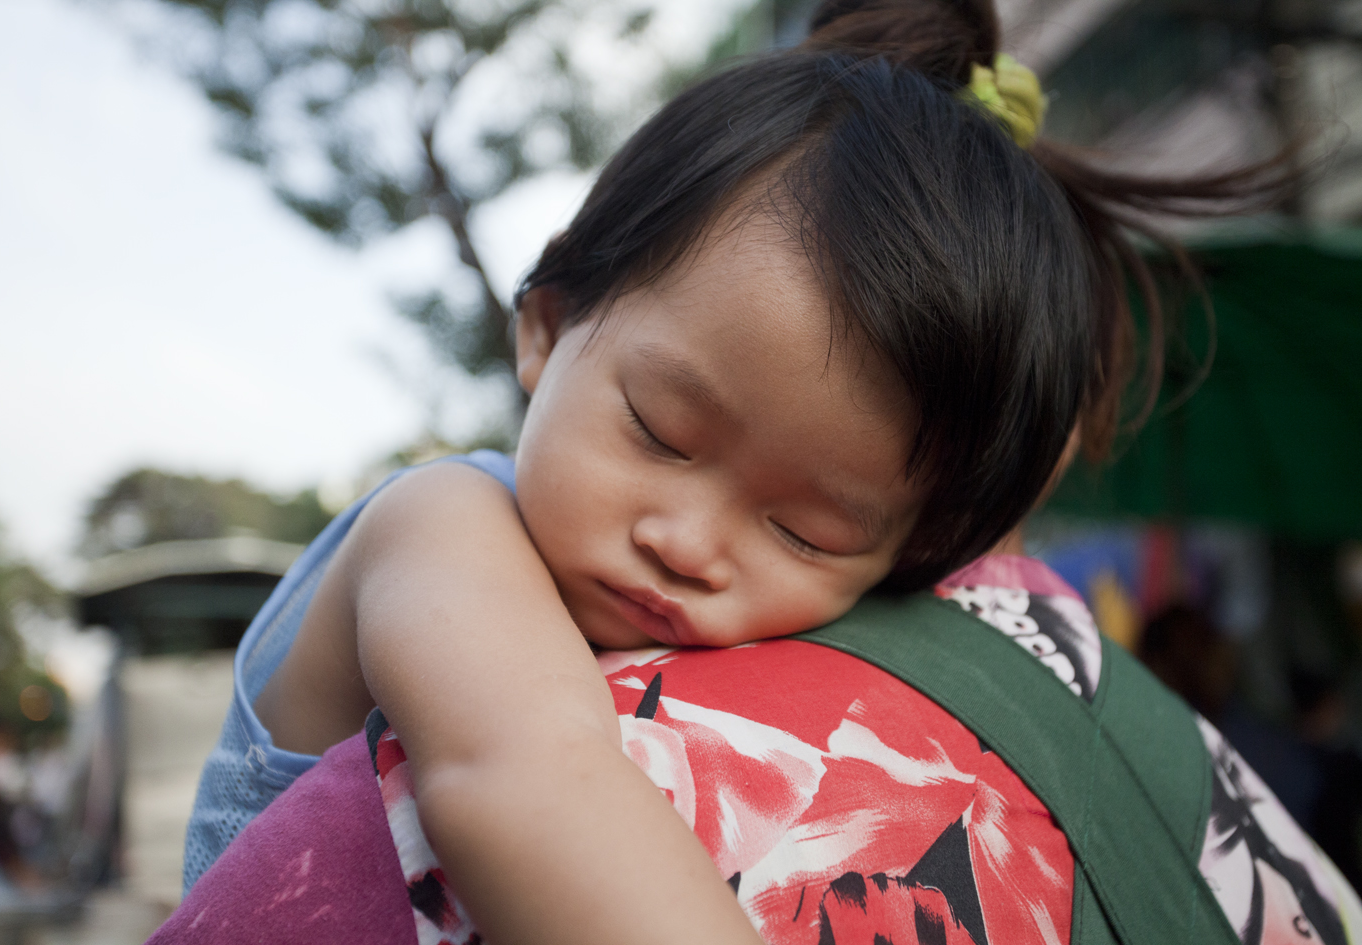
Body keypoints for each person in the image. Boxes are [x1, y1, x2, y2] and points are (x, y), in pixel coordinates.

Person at [173, 1, 1351, 942]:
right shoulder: (440, 525)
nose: (688, 540)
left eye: (810, 532)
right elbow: (525, 779)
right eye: (661, 433)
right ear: (546, 325)